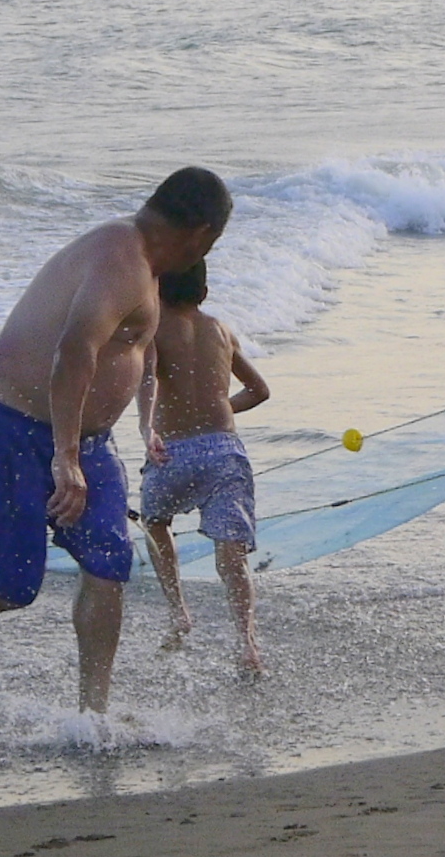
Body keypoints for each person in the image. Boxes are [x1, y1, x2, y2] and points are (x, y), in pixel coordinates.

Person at [0, 167, 230, 725]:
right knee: (10, 584)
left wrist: (130, 428)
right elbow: (75, 352)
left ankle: (94, 715)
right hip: (11, 428)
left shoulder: (145, 266)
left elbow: (137, 351)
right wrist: (64, 458)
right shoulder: (122, 259)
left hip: (85, 437)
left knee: (110, 560)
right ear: (202, 233)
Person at [135, 259, 271, 674]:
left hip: (173, 452)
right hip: (225, 450)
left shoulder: (153, 330)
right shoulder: (221, 331)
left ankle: (179, 611)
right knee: (231, 554)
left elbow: (147, 382)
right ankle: (247, 645)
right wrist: (216, 411)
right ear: (204, 293)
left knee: (155, 520)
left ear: (156, 292)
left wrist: (146, 429)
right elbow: (259, 390)